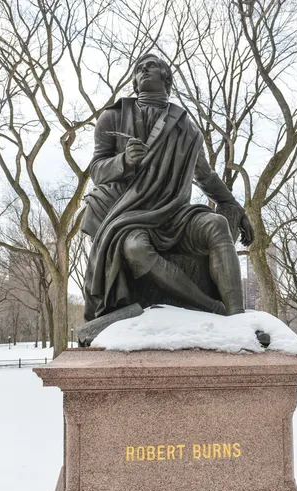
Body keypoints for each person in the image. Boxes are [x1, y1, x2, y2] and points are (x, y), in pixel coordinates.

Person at [82, 53, 254, 322]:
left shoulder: (185, 127)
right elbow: (97, 171)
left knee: (217, 224)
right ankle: (211, 307)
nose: (144, 70)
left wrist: (234, 205)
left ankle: (238, 317)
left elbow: (206, 176)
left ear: (166, 78)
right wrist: (124, 161)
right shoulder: (112, 118)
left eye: (151, 66)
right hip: (130, 216)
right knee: (135, 249)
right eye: (139, 69)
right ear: (135, 82)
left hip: (173, 213)